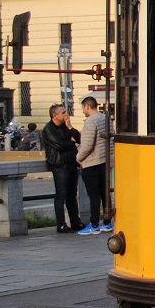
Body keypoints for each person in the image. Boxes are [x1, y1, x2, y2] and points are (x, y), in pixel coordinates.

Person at [74, 96, 112, 235]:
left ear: (87, 106)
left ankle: (94, 224)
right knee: (104, 193)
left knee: (93, 195)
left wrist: (79, 157)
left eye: (83, 108)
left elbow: (88, 144)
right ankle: (107, 223)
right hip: (105, 160)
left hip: (92, 162)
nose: (83, 111)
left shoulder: (90, 121)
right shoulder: (105, 118)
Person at [41, 104, 82, 234]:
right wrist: (71, 141)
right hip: (59, 165)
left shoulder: (66, 126)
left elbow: (79, 138)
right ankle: (61, 224)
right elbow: (60, 145)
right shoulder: (48, 129)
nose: (66, 115)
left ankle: (75, 222)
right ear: (55, 115)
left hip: (71, 163)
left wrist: (70, 127)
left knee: (72, 194)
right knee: (61, 195)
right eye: (63, 112)